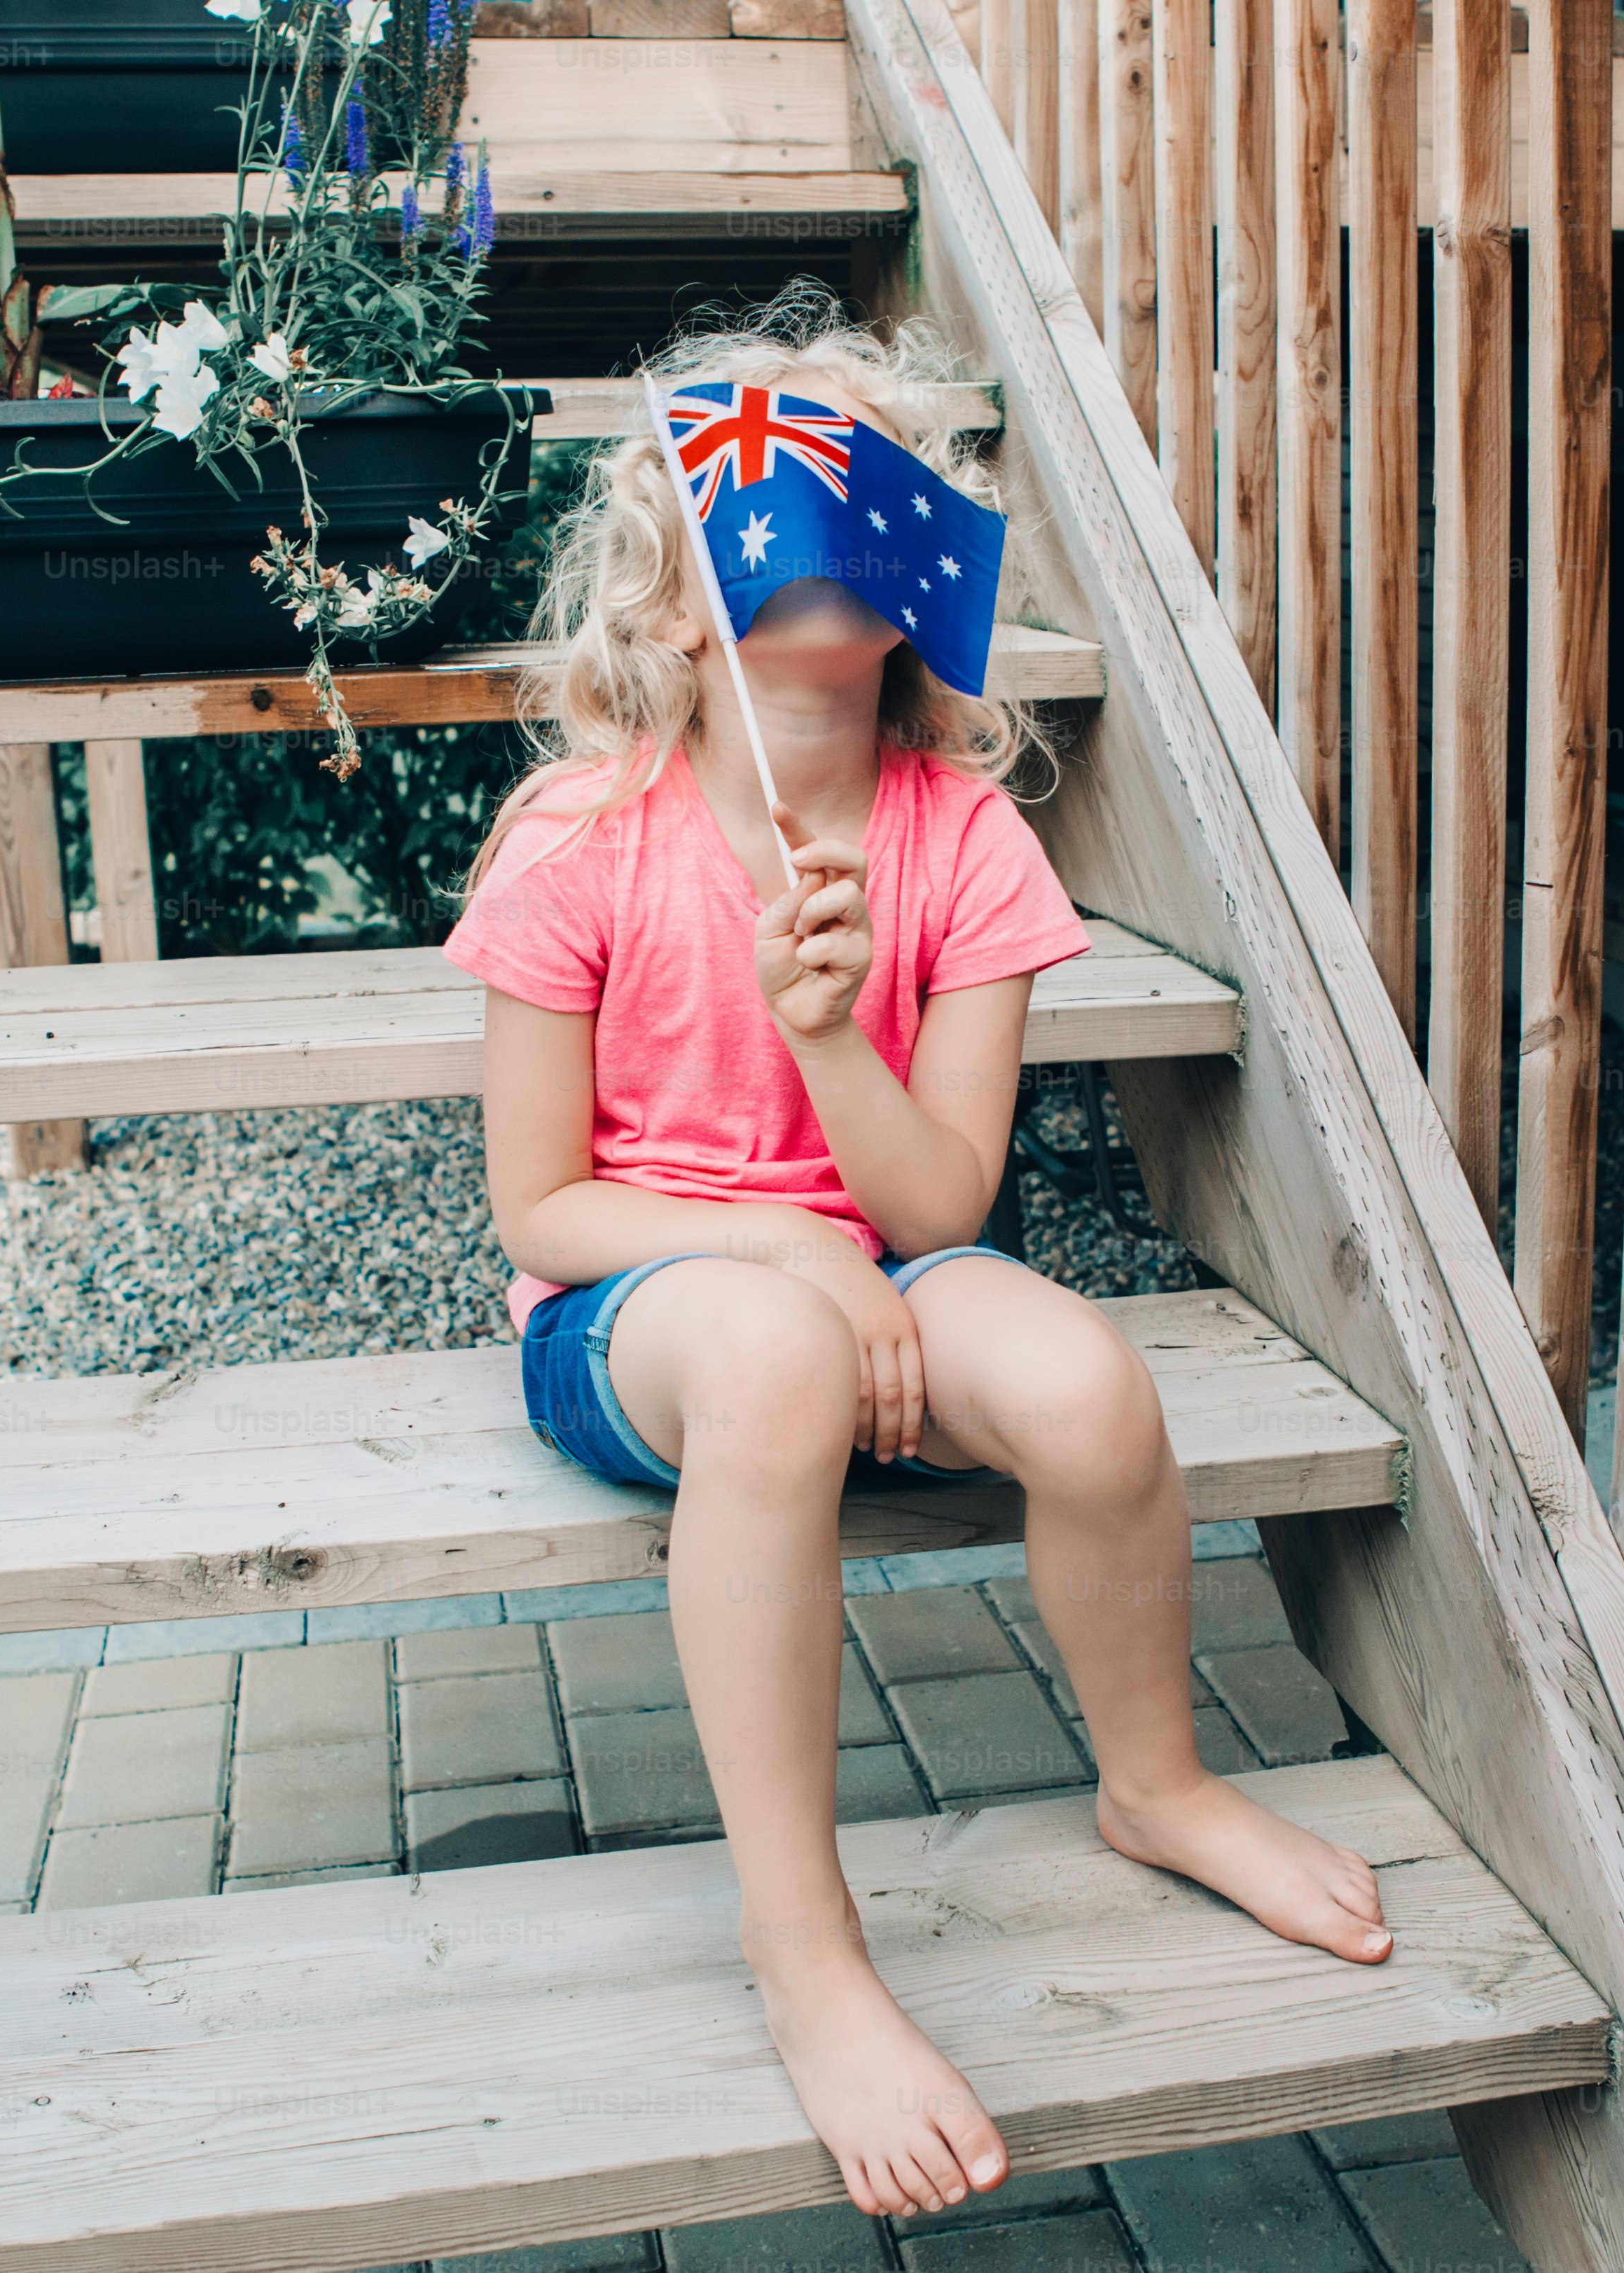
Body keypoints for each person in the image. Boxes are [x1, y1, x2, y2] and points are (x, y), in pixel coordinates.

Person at [443, 304, 1394, 2224]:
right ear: (679, 596)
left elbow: (943, 1202)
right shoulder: (573, 841)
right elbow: (540, 1208)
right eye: (756, 500)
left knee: (1087, 1387)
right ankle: (806, 1951)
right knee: (777, 1363)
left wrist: (820, 1042)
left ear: (913, 594)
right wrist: (788, 1247)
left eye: (852, 492)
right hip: (637, 1302)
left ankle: (1157, 1782)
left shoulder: (957, 841)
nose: (805, 532)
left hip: (892, 1263)